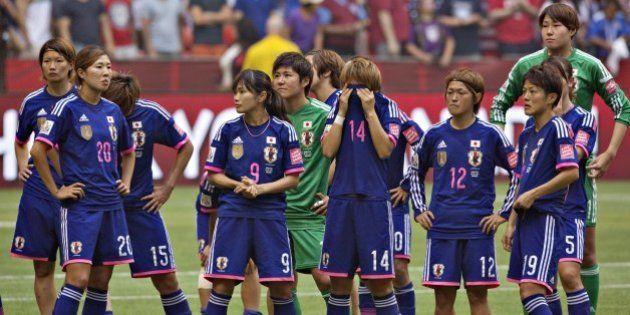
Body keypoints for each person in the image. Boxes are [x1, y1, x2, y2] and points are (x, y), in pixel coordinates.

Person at [490, 5, 630, 312]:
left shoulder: (590, 65)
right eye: (544, 26)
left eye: (556, 26)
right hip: (539, 175)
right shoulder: (528, 64)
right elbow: (498, 105)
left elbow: (624, 107)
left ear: (573, 30)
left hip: (577, 177)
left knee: (584, 257)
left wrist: (609, 153)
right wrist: (508, 153)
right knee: (545, 267)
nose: (549, 31)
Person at [30, 45, 136, 315]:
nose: (106, 73)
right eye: (99, 67)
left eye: (108, 67)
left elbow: (128, 151)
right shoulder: (66, 107)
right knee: (78, 278)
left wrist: (125, 180)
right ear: (80, 72)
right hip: (81, 207)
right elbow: (38, 150)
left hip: (111, 205)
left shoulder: (113, 110)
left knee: (100, 282)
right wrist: (56, 189)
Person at [408, 68, 518, 315]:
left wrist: (504, 213)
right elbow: (414, 171)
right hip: (442, 228)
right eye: (450, 93)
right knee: (443, 302)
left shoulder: (491, 135)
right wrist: (419, 209)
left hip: (478, 229)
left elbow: (519, 172)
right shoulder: (434, 134)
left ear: (476, 97)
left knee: (478, 297)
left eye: (460, 92)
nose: (453, 98)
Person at [203, 69, 304, 314]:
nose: (235, 98)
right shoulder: (227, 129)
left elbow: (293, 178)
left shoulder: (283, 130)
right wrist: (236, 185)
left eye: (242, 91)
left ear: (261, 96)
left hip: (270, 216)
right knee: (222, 284)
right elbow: (213, 174)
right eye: (235, 92)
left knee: (281, 287)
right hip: (233, 215)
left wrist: (259, 189)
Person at [101, 73, 194, 314]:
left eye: (125, 109)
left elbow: (185, 146)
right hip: (103, 207)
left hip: (141, 208)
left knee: (166, 279)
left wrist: (167, 189)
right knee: (98, 280)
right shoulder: (94, 112)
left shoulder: (150, 113)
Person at [320, 56, 401, 315]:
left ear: (373, 86)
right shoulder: (336, 107)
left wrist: (369, 111)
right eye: (349, 86)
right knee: (339, 283)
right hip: (341, 201)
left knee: (380, 283)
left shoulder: (387, 107)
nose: (353, 92)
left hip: (373, 202)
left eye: (360, 86)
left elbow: (385, 148)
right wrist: (342, 112)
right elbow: (328, 149)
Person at [502, 64, 579, 315]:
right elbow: (521, 181)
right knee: (531, 290)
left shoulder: (558, 128)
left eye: (533, 91)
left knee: (531, 289)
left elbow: (571, 172)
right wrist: (512, 222)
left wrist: (534, 194)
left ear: (551, 97)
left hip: (545, 218)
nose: (525, 97)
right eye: (524, 91)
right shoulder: (526, 135)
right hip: (525, 220)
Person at [10, 38, 75, 315]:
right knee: (43, 265)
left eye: (59, 60)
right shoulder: (32, 102)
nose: (52, 66)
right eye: (47, 61)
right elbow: (20, 140)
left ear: (72, 65)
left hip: (76, 191)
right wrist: (22, 163)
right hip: (39, 192)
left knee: (83, 267)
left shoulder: (83, 99)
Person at [271, 52, 332, 314]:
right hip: (275, 213)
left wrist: (335, 194)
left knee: (328, 278)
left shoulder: (323, 114)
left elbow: (343, 156)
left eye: (287, 75)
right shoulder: (268, 117)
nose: (280, 81)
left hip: (312, 213)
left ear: (305, 80)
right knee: (281, 285)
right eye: (276, 75)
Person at [242, 14, 301, 78]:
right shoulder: (292, 49)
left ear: (266, 29)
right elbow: (300, 73)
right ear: (282, 29)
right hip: (283, 87)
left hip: (260, 87)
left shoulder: (254, 49)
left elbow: (245, 76)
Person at [406, 0, 456, 67]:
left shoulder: (440, 23)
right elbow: (410, 45)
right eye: (425, 4)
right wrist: (424, 57)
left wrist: (446, 56)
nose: (428, 6)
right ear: (419, 6)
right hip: (423, 65)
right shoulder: (415, 25)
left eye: (430, 3)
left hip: (441, 62)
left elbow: (450, 40)